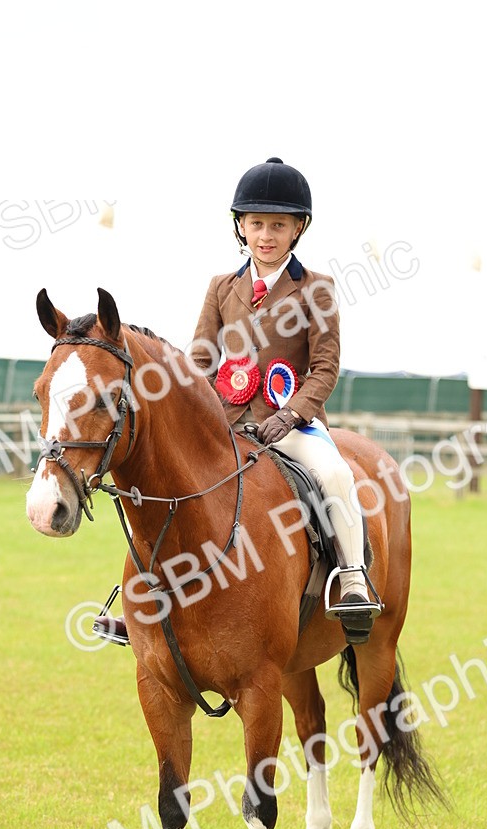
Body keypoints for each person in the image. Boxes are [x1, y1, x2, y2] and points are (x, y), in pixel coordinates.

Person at [190, 155, 381, 630]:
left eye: (278, 225)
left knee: (336, 473)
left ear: (298, 229)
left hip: (287, 425)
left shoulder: (317, 289)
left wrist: (291, 415)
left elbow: (324, 367)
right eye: (257, 224)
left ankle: (353, 580)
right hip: (226, 424)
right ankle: (146, 595)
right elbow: (200, 361)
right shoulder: (220, 288)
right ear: (241, 226)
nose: (266, 235)